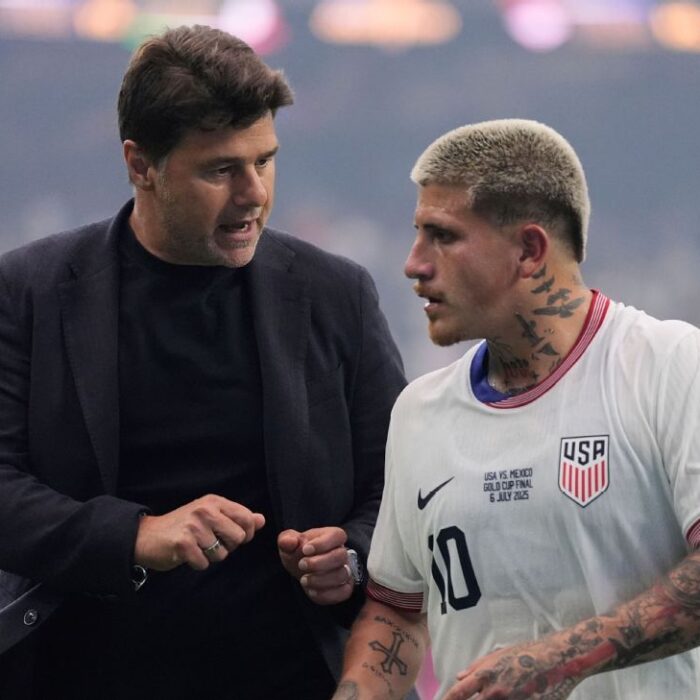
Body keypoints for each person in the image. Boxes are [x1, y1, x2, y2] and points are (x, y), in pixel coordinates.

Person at [0, 24, 406, 699]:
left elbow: (400, 481)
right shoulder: (28, 292)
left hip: (291, 679)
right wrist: (134, 535)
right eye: (221, 170)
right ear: (140, 165)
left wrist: (353, 555)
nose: (254, 193)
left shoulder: (337, 294)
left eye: (265, 160)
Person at [332, 118, 700, 699]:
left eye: (442, 236)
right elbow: (399, 610)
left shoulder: (671, 366)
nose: (414, 263)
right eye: (417, 234)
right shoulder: (418, 412)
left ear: (529, 250)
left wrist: (558, 660)